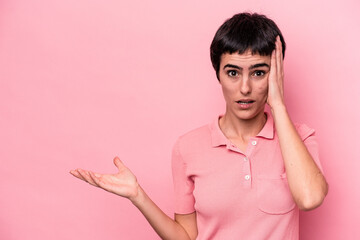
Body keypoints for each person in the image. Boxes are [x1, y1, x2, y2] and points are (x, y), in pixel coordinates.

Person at [70, 12, 328, 240]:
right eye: (233, 72)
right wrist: (137, 195)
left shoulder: (301, 139)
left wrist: (278, 105)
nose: (245, 87)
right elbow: (186, 236)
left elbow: (310, 198)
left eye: (259, 72)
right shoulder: (188, 147)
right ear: (218, 73)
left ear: (276, 74)